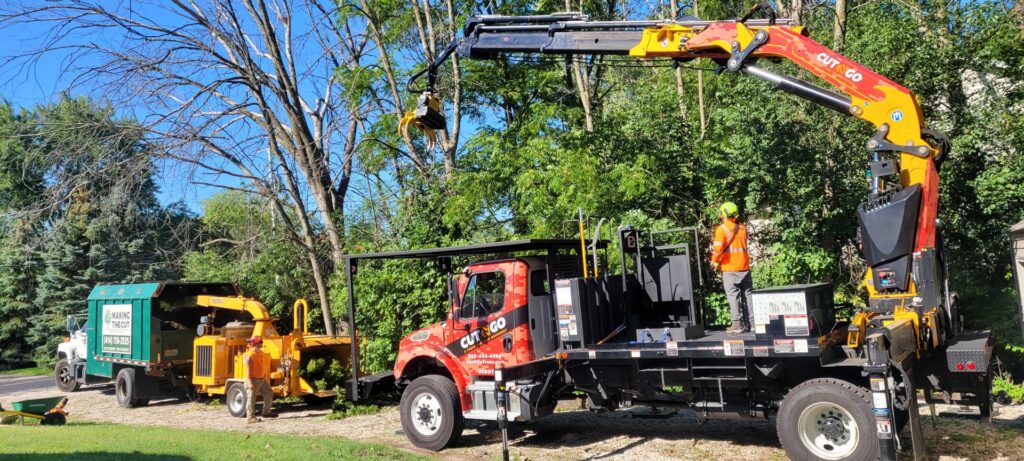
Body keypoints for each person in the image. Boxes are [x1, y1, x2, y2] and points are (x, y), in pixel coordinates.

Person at [711, 201, 753, 333]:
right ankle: (752, 324)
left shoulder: (721, 229)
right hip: (745, 267)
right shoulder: (742, 228)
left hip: (730, 268)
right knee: (748, 295)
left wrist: (713, 262)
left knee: (733, 296)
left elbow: (718, 250)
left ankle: (737, 325)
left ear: (723, 213)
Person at [243, 336, 274, 423]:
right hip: (252, 380)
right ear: (255, 343)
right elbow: (247, 371)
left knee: (269, 392)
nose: (262, 343)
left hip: (261, 379)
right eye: (260, 342)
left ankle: (266, 413)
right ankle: (250, 418)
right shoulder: (249, 355)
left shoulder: (260, 352)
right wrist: (249, 383)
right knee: (251, 398)